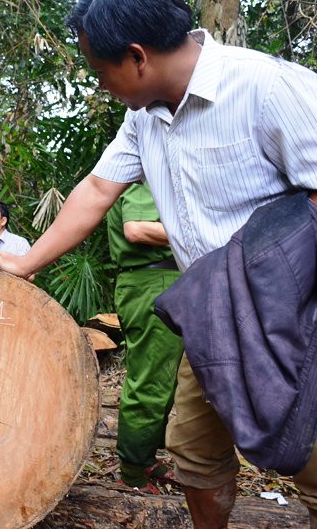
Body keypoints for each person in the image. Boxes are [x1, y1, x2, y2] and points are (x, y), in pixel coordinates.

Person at [0, 0, 317, 527]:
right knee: (195, 452)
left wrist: (257, 270)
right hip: (209, 315)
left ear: (137, 57)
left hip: (296, 315)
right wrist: (26, 263)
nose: (100, 85)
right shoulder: (145, 118)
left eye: (100, 70)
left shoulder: (266, 86)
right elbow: (96, 188)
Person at [106, 182, 182, 493]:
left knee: (166, 380)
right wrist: (196, 231)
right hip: (154, 282)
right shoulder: (145, 179)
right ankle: (133, 473)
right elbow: (136, 229)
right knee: (152, 381)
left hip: (161, 281)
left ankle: (145, 456)